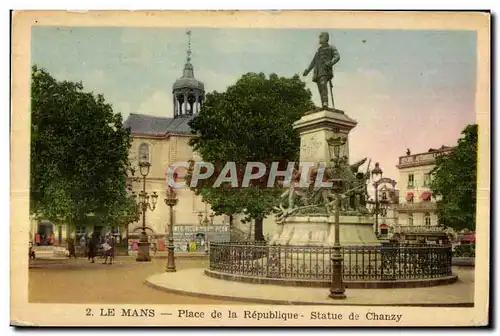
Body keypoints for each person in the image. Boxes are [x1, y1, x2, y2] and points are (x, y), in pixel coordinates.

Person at [303, 32, 340, 109]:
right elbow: (313, 62)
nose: (319, 39)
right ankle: (323, 103)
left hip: (325, 70)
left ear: (326, 38)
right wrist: (307, 70)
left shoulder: (331, 47)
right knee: (320, 88)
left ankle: (325, 102)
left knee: (323, 86)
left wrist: (330, 63)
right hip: (318, 71)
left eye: (321, 37)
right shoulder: (318, 50)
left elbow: (337, 56)